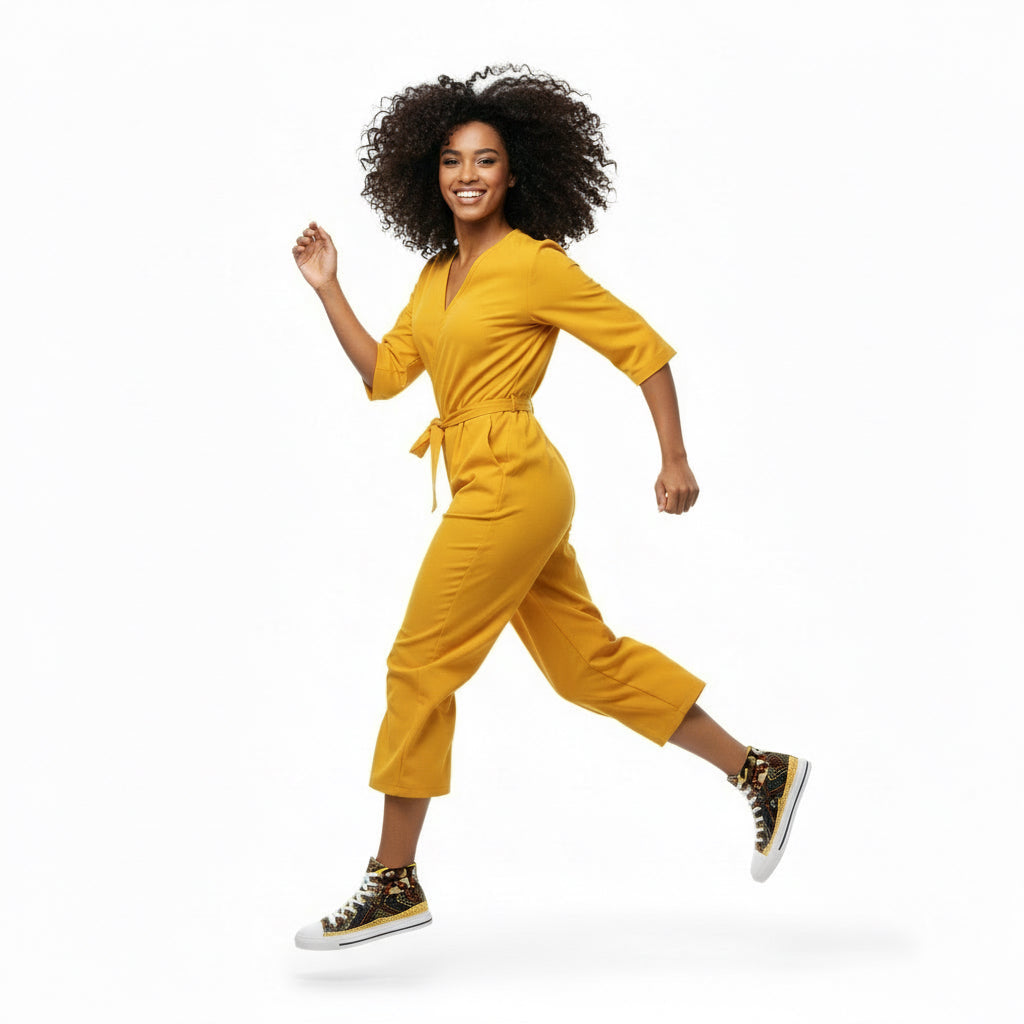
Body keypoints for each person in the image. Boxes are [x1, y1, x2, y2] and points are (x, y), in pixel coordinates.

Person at [290, 66, 810, 950]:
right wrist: (328, 287)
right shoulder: (435, 277)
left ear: (513, 173)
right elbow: (385, 375)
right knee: (584, 667)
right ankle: (761, 771)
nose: (467, 175)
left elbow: (643, 350)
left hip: (512, 479)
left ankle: (392, 881)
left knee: (419, 662)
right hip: (487, 480)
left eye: (485, 160)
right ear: (431, 173)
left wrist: (674, 457)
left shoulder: (534, 264)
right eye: (452, 160)